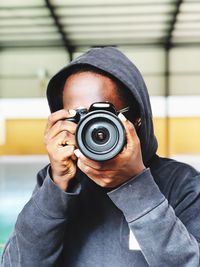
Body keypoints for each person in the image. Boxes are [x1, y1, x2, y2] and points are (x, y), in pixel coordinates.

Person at [2, 47, 200, 267]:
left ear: (137, 119)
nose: (93, 129)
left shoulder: (183, 183)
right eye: (79, 117)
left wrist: (135, 187)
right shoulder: (55, 183)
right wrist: (56, 187)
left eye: (104, 116)